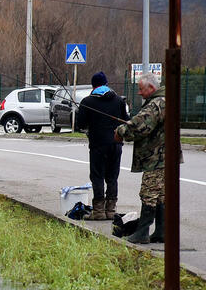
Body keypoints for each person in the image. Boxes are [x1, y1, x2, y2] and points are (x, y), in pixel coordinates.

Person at [115, 73, 177, 244]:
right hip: (168, 156)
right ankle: (162, 231)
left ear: (151, 88)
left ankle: (142, 233)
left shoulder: (156, 104)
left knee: (148, 193)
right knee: (161, 195)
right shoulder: (167, 100)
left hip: (156, 157)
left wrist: (121, 131)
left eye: (141, 89)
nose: (139, 93)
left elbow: (139, 127)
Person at [76, 71, 130, 220]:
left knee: (97, 176)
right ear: (106, 84)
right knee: (112, 177)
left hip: (98, 145)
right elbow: (126, 120)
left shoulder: (87, 102)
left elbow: (80, 124)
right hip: (116, 144)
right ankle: (111, 210)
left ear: (93, 86)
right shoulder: (119, 101)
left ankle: (99, 211)